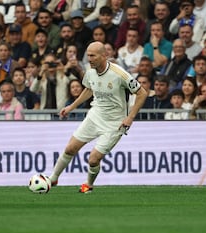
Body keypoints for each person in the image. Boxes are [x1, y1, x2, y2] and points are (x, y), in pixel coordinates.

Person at [49, 41, 147, 193]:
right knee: (70, 149)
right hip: (95, 116)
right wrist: (71, 107)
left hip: (115, 123)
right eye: (88, 55)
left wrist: (130, 117)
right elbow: (89, 89)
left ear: (104, 55)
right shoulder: (90, 71)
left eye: (93, 55)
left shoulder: (120, 74)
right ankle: (53, 178)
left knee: (93, 159)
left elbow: (142, 93)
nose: (89, 59)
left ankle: (88, 185)